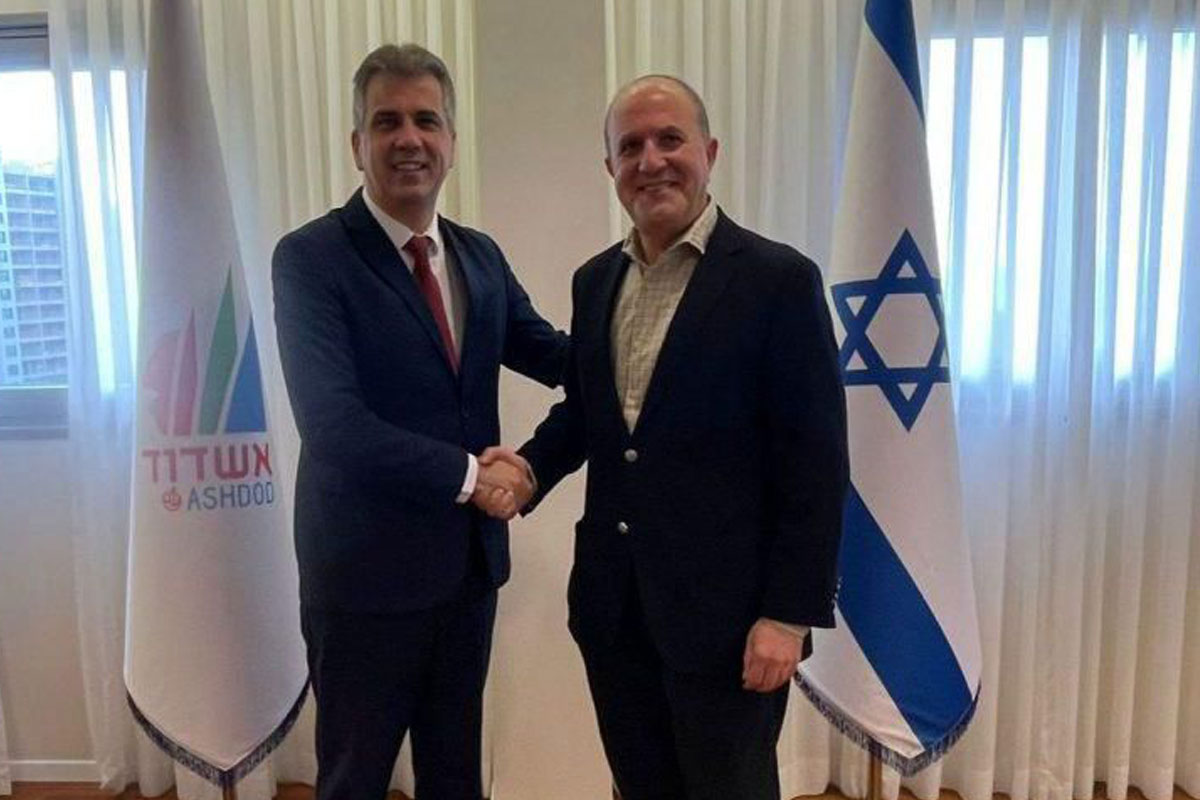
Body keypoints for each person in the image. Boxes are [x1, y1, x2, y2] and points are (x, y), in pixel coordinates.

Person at [484, 75, 849, 800]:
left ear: (709, 153)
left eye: (670, 140)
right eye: (631, 147)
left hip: (731, 623)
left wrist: (788, 615)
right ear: (611, 168)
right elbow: (590, 413)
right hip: (614, 611)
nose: (651, 160)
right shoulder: (595, 282)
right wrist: (527, 470)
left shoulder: (778, 281)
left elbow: (815, 462)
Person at [272, 43, 567, 800]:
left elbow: (556, 356)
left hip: (466, 577)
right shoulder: (310, 259)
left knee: (456, 776)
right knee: (354, 779)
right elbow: (333, 425)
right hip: (362, 583)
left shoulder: (478, 257)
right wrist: (474, 478)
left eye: (426, 121)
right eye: (388, 121)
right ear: (357, 144)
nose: (409, 139)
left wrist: (652, 353)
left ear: (451, 142)